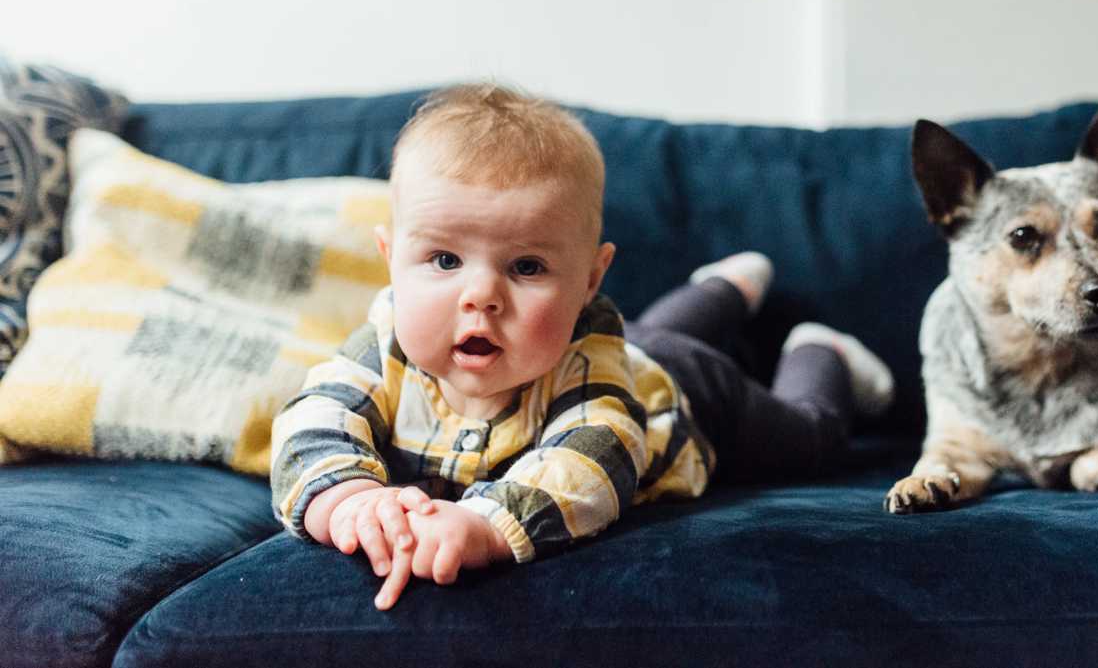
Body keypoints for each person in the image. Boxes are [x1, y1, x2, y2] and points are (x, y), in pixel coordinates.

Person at [269, 83, 894, 609]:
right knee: (655, 330)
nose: (480, 296)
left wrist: (485, 526)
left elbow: (590, 464)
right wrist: (347, 498)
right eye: (444, 259)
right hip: (643, 344)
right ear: (391, 260)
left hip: (691, 395)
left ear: (591, 277)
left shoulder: (589, 367)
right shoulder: (384, 342)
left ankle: (820, 350)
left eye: (528, 268)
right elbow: (315, 415)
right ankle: (724, 286)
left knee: (808, 435)